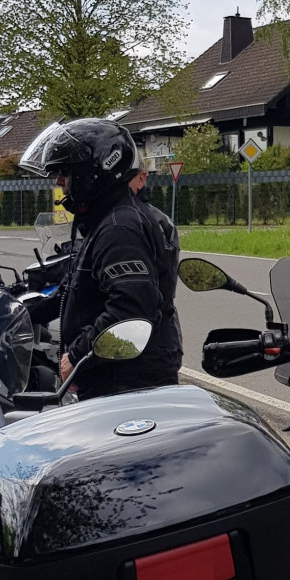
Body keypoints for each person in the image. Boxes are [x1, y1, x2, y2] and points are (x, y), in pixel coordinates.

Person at [23, 119, 182, 399]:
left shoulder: (120, 228)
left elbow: (130, 310)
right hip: (116, 376)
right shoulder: (106, 221)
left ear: (92, 172)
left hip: (128, 383)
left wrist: (77, 355)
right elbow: (76, 292)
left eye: (65, 172)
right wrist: (22, 313)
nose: (59, 181)